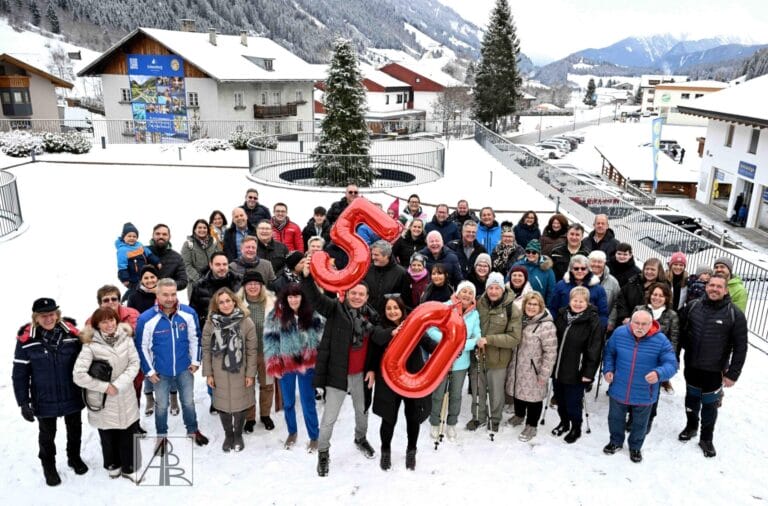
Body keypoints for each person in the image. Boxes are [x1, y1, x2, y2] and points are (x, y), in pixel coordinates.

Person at [300, 263, 378, 477]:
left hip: (361, 375)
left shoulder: (372, 317)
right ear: (347, 293)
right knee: (329, 419)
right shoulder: (335, 309)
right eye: (354, 293)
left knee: (362, 412)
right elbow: (316, 299)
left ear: (367, 296)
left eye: (361, 294)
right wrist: (306, 278)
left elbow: (376, 346)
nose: (357, 297)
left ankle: (360, 438)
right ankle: (323, 452)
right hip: (338, 375)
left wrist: (372, 369)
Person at [12, 298, 88, 486]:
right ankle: (49, 467)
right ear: (36, 318)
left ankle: (74, 458)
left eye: (52, 314)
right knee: (47, 436)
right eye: (43, 316)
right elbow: (19, 374)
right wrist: (23, 402)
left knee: (75, 429)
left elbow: (85, 360)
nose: (48, 319)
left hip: (71, 393)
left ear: (57, 314)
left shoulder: (72, 335)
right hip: (44, 397)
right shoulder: (26, 340)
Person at [677, 274, 747, 458]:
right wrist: (674, 357)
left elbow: (741, 347)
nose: (714, 289)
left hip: (714, 371)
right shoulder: (692, 307)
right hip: (692, 366)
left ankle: (706, 438)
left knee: (710, 405)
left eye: (719, 286)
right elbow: (679, 334)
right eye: (711, 285)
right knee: (691, 400)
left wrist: (733, 374)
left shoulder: (734, 314)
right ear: (706, 287)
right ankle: (691, 426)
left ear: (726, 290)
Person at [136, 278, 209, 451]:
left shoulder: (188, 313)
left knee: (188, 402)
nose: (170, 298)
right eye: (165, 295)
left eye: (173, 294)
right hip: (160, 372)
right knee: (161, 405)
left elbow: (195, 338)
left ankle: (192, 430)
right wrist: (149, 370)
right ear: (157, 294)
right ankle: (161, 436)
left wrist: (195, 361)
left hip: (184, 368)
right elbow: (141, 346)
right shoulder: (147, 318)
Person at [73, 307, 141, 481]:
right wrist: (104, 387)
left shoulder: (126, 338)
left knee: (127, 432)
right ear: (97, 325)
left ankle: (129, 467)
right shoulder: (90, 345)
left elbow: (134, 363)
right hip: (103, 399)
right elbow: (78, 376)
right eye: (104, 321)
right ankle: (112, 464)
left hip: (125, 394)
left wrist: (117, 385)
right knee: (108, 434)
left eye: (111, 320)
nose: (109, 324)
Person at [602, 308, 678, 463]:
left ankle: (635, 447)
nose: (640, 327)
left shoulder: (661, 340)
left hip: (645, 391)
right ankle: (615, 442)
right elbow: (609, 353)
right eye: (636, 323)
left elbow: (672, 364)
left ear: (651, 324)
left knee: (640, 423)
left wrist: (659, 373)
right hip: (619, 387)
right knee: (615, 418)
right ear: (630, 321)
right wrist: (608, 369)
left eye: (644, 324)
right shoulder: (619, 333)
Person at [372, 296, 437, 470]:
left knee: (413, 417)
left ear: (402, 310)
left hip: (412, 379)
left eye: (396, 308)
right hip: (388, 382)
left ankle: (411, 451)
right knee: (388, 418)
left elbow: (430, 344)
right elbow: (376, 340)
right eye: (389, 308)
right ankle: (385, 451)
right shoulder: (381, 327)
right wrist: (392, 333)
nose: (392, 311)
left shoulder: (414, 327)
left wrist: (451, 349)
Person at [263, 283, 324, 451]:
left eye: (297, 296)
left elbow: (321, 336)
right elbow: (270, 340)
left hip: (307, 365)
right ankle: (292, 432)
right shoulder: (275, 315)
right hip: (286, 365)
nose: (293, 300)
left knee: (307, 402)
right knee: (288, 402)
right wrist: (274, 364)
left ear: (302, 297)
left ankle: (314, 436)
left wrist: (316, 355)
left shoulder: (312, 313)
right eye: (290, 296)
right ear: (285, 298)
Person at [202, 288, 257, 452]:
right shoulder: (211, 323)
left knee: (240, 404)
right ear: (217, 305)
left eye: (228, 301)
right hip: (218, 371)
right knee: (222, 404)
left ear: (234, 301)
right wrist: (209, 373)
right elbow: (206, 349)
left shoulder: (246, 322)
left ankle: (238, 434)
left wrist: (250, 374)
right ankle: (228, 435)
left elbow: (252, 350)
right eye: (221, 302)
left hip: (240, 371)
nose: (225, 305)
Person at [466, 272, 522, 433]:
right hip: (478, 356)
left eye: (497, 288)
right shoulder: (478, 303)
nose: (493, 291)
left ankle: (495, 418)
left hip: (498, 358)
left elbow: (514, 337)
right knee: (478, 389)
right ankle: (478, 416)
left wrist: (489, 340)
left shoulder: (512, 308)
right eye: (490, 287)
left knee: (496, 392)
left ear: (503, 289)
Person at [427, 282, 481, 443]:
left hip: (460, 361)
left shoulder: (474, 314)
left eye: (470, 293)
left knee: (456, 395)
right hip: (442, 359)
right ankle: (435, 421)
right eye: (463, 291)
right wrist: (448, 342)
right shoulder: (445, 307)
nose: (466, 295)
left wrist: (461, 345)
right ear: (457, 293)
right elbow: (431, 329)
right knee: (438, 393)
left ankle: (451, 423)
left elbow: (477, 337)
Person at [551, 286, 602, 444]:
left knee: (573, 402)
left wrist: (588, 373)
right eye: (575, 300)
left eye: (582, 301)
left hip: (576, 370)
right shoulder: (561, 315)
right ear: (570, 300)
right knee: (560, 399)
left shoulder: (592, 321)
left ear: (587, 303)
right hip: (558, 367)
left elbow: (595, 349)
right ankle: (564, 422)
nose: (578, 304)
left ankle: (576, 427)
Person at [505, 292, 557, 442]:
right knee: (518, 393)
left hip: (534, 369)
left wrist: (544, 374)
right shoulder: (520, 320)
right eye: (529, 303)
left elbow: (550, 352)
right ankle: (519, 415)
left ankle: (532, 425)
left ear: (541, 306)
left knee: (534, 399)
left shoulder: (546, 326)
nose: (531, 307)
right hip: (517, 366)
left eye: (535, 304)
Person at [237, 271, 278, 433]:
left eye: (256, 283)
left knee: (267, 385)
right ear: (244, 286)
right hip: (245, 353)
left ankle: (266, 415)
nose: (253, 286)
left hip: (266, 352)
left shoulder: (271, 303)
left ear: (261, 286)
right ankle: (250, 418)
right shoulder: (237, 303)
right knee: (248, 385)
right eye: (249, 284)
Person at [635, 282, 680, 399]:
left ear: (666, 298)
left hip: (657, 358)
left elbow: (673, 340)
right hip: (638, 355)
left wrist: (668, 361)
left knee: (652, 390)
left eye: (661, 295)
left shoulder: (672, 315)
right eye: (655, 294)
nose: (657, 298)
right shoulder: (639, 309)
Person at [548, 255, 609, 329]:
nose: (580, 271)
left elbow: (603, 313)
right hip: (563, 326)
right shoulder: (561, 285)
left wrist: (599, 330)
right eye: (576, 268)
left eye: (583, 268)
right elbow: (553, 308)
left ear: (588, 270)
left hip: (588, 328)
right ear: (571, 270)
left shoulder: (598, 289)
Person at [191, 251, 243, 328]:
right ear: (211, 265)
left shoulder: (239, 281)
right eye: (218, 264)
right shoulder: (200, 286)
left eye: (224, 264)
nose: (222, 268)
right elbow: (193, 313)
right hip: (211, 331)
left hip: (237, 329)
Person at [364, 240, 412, 315]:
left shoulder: (401, 273)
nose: (373, 258)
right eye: (372, 254)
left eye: (376, 255)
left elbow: (406, 301)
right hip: (368, 317)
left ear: (386, 255)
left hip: (390, 318)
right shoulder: (366, 270)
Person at [615, 258, 667, 325]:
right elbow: (621, 299)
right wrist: (624, 316)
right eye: (647, 269)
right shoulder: (633, 281)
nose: (649, 272)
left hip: (646, 324)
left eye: (653, 269)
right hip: (625, 322)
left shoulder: (663, 287)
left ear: (659, 271)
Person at [115, 222, 160, 293]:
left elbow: (149, 254)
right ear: (124, 237)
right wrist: (125, 279)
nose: (132, 238)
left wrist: (157, 262)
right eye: (129, 236)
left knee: (148, 291)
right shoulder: (122, 250)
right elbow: (122, 266)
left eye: (134, 236)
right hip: (133, 278)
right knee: (136, 292)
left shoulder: (139, 245)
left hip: (144, 275)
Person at [513, 239, 556, 306]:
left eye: (534, 252)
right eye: (528, 251)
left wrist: (548, 306)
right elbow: (508, 283)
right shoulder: (517, 265)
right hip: (519, 305)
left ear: (539, 253)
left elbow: (551, 291)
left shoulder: (547, 269)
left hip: (538, 305)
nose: (530, 254)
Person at [146, 224, 188, 291]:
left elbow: (183, 281)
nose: (161, 236)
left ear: (169, 237)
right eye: (158, 234)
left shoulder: (177, 258)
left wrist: (164, 287)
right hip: (143, 297)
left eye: (164, 234)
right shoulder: (143, 252)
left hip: (167, 299)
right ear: (153, 235)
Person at [181, 219, 218, 294]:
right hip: (196, 284)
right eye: (199, 228)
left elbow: (219, 259)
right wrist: (199, 279)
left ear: (208, 230)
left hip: (213, 282)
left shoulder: (214, 242)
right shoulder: (188, 244)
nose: (202, 230)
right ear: (194, 230)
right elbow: (186, 265)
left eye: (204, 228)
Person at [588, 250, 620, 333]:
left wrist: (611, 321)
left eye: (599, 262)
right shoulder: (581, 277)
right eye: (593, 261)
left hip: (602, 324)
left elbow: (617, 303)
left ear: (604, 263)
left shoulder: (613, 282)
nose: (596, 264)